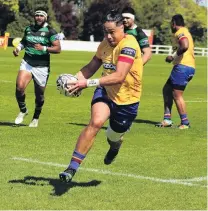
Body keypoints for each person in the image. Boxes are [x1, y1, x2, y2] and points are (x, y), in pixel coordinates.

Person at [59, 10, 143, 183]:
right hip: (105, 91)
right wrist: (75, 80)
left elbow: (119, 76)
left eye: (112, 32)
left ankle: (115, 145)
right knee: (95, 123)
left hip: (127, 101)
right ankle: (71, 168)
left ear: (122, 28)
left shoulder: (129, 45)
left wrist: (86, 84)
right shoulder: (104, 44)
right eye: (105, 32)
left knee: (113, 136)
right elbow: (91, 67)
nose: (108, 36)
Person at [13, 8, 61, 127]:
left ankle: (35, 117)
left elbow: (58, 49)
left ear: (45, 17)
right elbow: (24, 41)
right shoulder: (29, 29)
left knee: (39, 95)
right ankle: (23, 110)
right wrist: (18, 48)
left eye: (41, 15)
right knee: (19, 88)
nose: (38, 17)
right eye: (36, 15)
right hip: (27, 62)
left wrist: (43, 48)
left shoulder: (51, 31)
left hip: (42, 67)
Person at [155, 14, 195, 129]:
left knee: (177, 95)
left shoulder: (180, 32)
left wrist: (172, 56)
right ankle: (167, 119)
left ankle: (185, 122)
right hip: (187, 66)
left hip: (183, 67)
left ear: (173, 23)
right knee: (167, 89)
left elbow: (185, 45)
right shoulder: (186, 31)